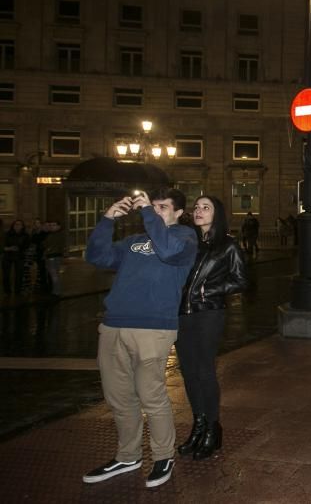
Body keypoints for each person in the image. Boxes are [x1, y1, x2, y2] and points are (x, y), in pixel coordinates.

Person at [82, 188, 198, 489]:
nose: (154, 210)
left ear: (177, 212)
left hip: (153, 328)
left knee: (152, 396)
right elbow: (97, 256)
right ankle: (127, 455)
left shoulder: (184, 238)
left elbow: (168, 251)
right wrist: (108, 219)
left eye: (162, 207)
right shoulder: (133, 242)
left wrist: (148, 212)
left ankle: (163, 456)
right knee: (119, 398)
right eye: (152, 206)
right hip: (114, 325)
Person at [176, 196, 248, 461]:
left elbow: (241, 280)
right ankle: (198, 424)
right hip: (182, 314)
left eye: (206, 207)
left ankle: (212, 428)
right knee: (188, 372)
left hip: (209, 313)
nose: (199, 211)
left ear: (217, 214)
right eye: (196, 207)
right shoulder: (188, 243)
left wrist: (209, 290)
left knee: (205, 370)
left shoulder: (227, 245)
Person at [2, 219, 29, 296]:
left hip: (19, 256)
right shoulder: (7, 234)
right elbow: (3, 245)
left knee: (19, 275)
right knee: (6, 275)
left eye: (19, 224)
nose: (17, 226)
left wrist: (19, 248)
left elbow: (27, 245)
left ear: (22, 226)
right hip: (8, 256)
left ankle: (18, 291)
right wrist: (8, 248)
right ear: (13, 226)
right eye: (16, 224)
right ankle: (7, 291)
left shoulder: (25, 235)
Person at [43, 220, 66, 297]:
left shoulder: (58, 234)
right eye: (51, 225)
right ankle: (55, 290)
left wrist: (49, 249)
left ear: (58, 226)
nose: (52, 226)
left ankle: (57, 291)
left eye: (54, 225)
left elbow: (55, 246)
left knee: (54, 275)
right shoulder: (51, 234)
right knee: (53, 274)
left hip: (54, 256)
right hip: (51, 256)